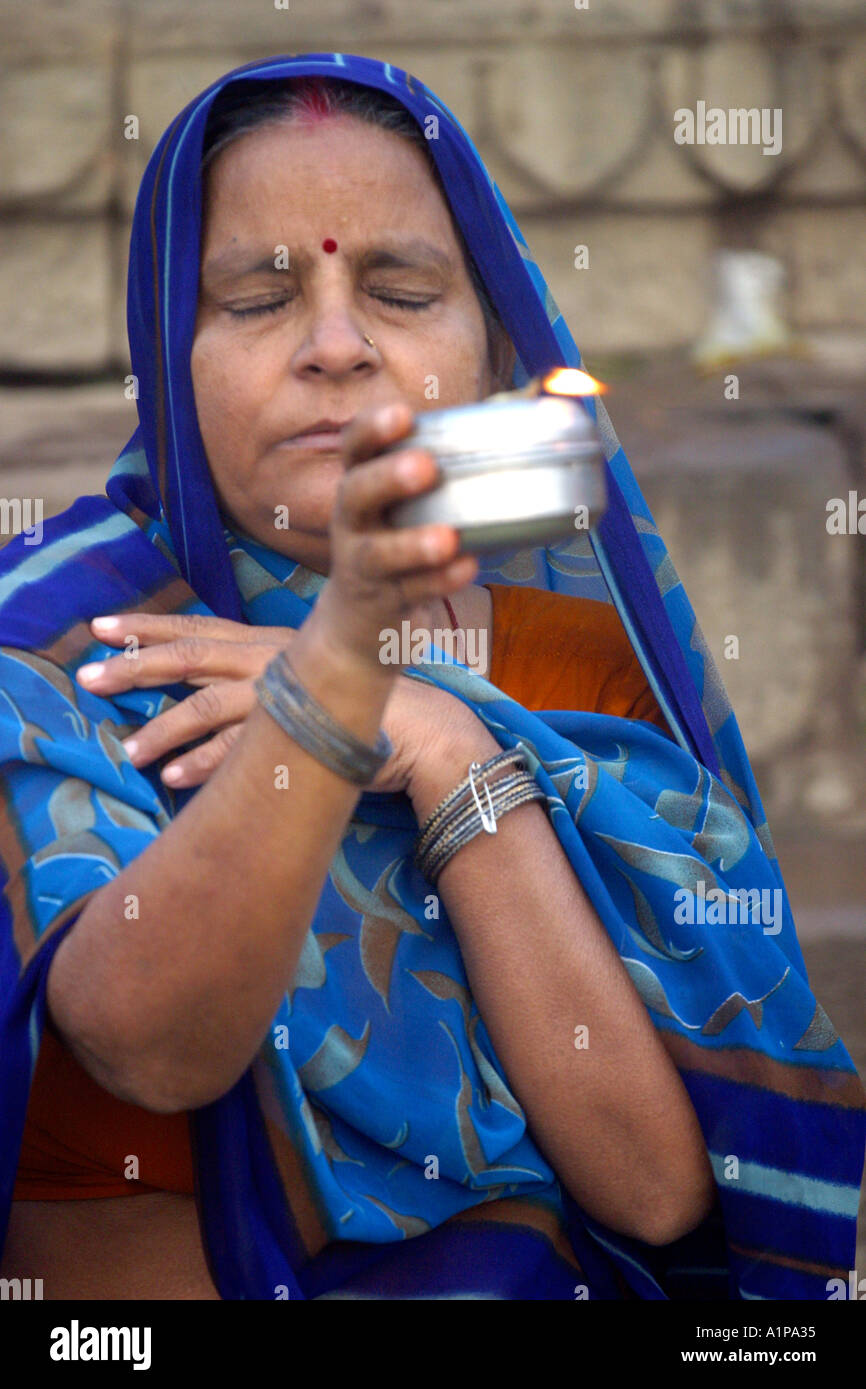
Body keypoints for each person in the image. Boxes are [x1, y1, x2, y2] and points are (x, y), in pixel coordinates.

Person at [0, 53, 863, 1302]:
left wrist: (446, 744)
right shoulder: (67, 643)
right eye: (255, 299)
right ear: (169, 358)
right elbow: (149, 1045)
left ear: (494, 348)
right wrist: (342, 667)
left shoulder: (559, 663)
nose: (336, 346)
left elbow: (656, 1188)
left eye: (401, 290)